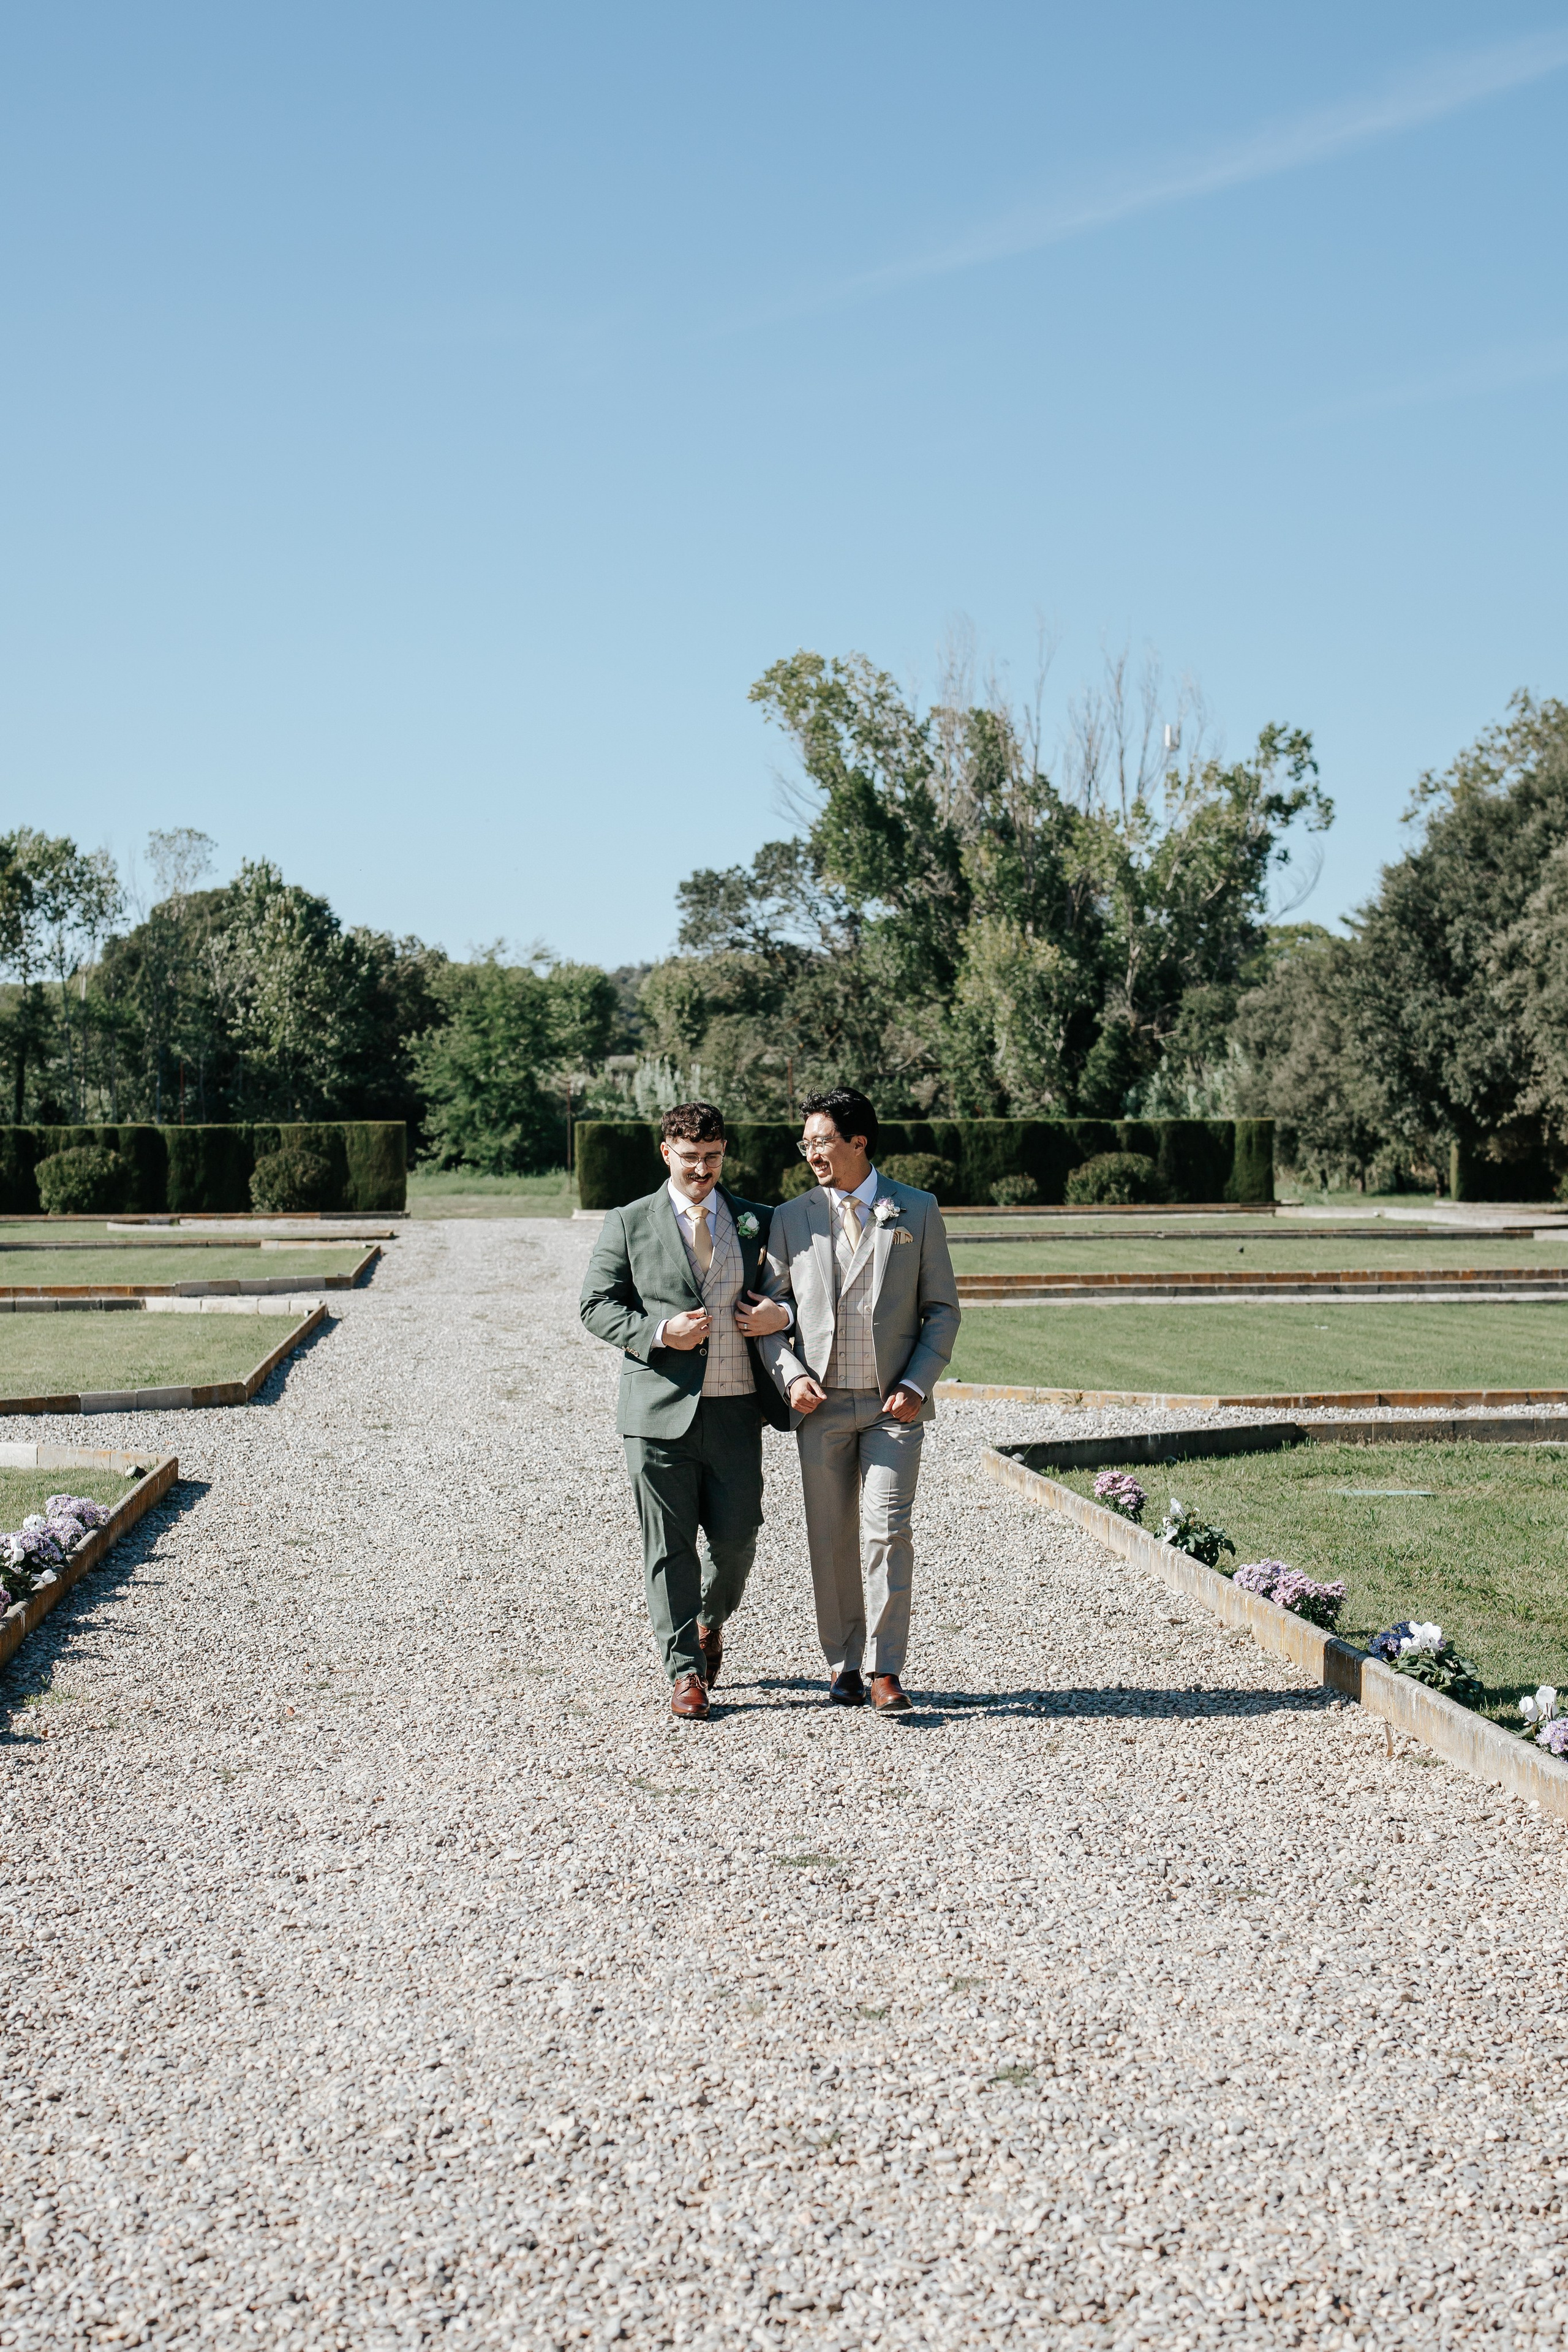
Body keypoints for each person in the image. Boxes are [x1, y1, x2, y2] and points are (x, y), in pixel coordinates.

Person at [579, 1102, 792, 1721]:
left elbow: (790, 1294)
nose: (702, 1170)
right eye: (691, 1157)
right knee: (668, 1548)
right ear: (666, 1152)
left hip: (736, 1410)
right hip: (656, 1414)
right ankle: (684, 1672)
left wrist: (783, 1316)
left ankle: (709, 1620)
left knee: (737, 1541)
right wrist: (658, 1331)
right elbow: (595, 1305)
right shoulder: (628, 1222)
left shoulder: (757, 1220)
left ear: (725, 1153)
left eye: (714, 1157)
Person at [758, 1087, 960, 1714]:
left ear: (858, 1141)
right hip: (818, 1407)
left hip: (890, 1409)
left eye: (820, 1140)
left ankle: (884, 1669)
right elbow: (767, 1317)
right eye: (807, 1142)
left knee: (885, 1531)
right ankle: (842, 1663)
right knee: (831, 1538)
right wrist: (789, 1375)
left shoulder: (916, 1211)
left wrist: (915, 1384)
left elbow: (942, 1311)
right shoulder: (790, 1217)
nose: (810, 1152)